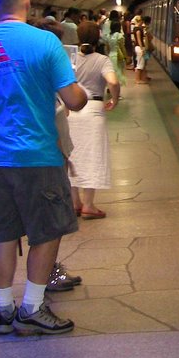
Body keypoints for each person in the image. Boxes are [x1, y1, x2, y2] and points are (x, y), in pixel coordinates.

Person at [0, 0, 88, 336]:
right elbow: (75, 100)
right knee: (46, 232)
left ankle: (3, 311)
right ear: (28, 2)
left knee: (2, 235)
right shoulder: (44, 42)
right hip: (37, 156)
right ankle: (32, 307)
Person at [69, 21, 121, 220]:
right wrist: (114, 98)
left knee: (72, 156)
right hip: (93, 110)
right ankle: (89, 205)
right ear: (98, 36)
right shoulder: (102, 60)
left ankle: (75, 204)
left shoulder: (69, 59)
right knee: (91, 157)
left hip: (71, 110)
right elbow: (113, 82)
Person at [106, 18, 127, 89]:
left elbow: (107, 48)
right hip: (118, 56)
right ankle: (117, 91)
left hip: (110, 55)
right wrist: (126, 56)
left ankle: (110, 88)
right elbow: (122, 48)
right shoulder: (119, 36)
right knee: (118, 73)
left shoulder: (108, 36)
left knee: (112, 72)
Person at [133, 15, 153, 84]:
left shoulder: (137, 28)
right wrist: (142, 49)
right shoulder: (139, 30)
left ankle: (143, 78)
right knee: (140, 65)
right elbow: (139, 40)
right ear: (141, 21)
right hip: (140, 48)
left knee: (142, 64)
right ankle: (138, 79)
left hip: (140, 48)